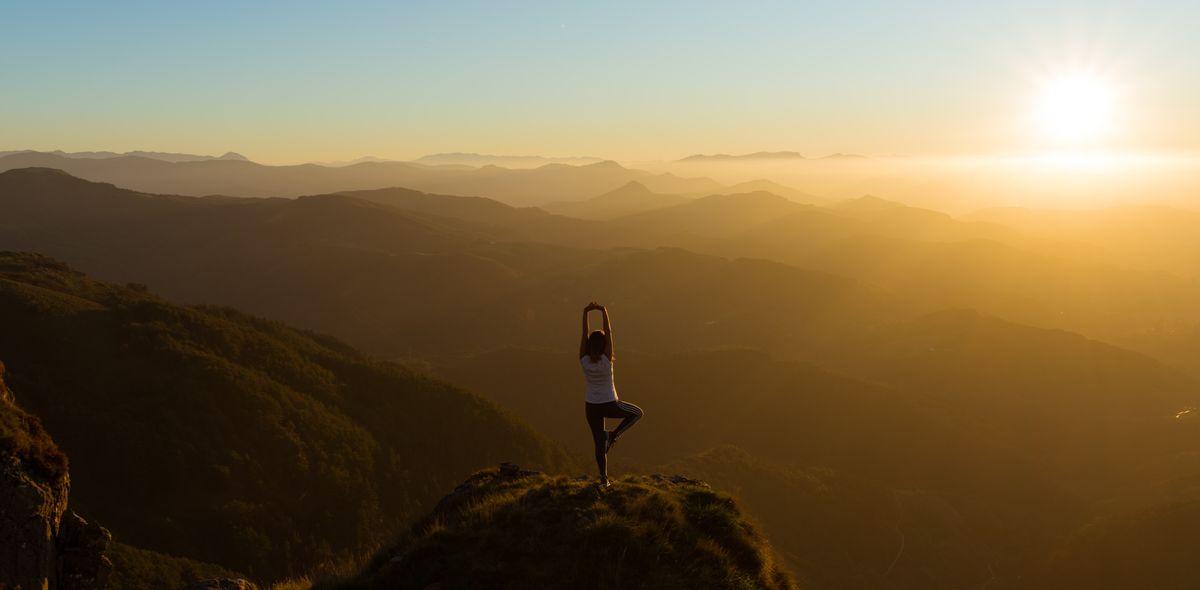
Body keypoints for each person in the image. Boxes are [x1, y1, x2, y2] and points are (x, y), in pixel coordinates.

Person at [580, 301, 643, 487]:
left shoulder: (583, 360)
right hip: (609, 403)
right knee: (637, 413)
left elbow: (584, 334)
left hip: (591, 407)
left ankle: (603, 478)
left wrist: (585, 312)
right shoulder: (607, 360)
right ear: (604, 345)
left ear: (590, 344)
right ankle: (613, 435)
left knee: (599, 444)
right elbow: (609, 332)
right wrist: (603, 311)